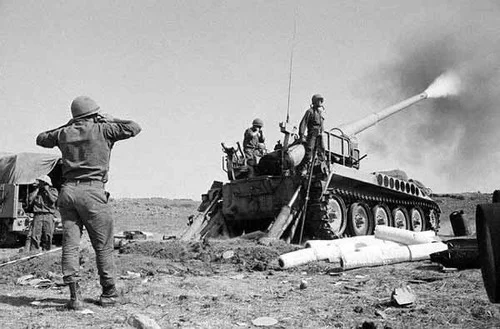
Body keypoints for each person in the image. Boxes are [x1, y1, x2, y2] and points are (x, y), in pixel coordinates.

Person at [36, 96, 141, 310]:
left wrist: (69, 124)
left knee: (70, 245)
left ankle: (75, 297)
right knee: (103, 246)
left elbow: (41, 138)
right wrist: (111, 118)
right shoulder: (104, 129)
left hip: (67, 192)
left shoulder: (64, 133)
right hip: (92, 192)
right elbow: (135, 127)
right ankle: (109, 293)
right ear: (95, 113)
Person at [27, 175, 58, 251]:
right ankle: (34, 252)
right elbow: (30, 199)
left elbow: (53, 200)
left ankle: (46, 252)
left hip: (48, 215)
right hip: (38, 215)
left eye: (40, 182)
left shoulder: (53, 191)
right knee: (35, 236)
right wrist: (37, 190)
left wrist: (47, 190)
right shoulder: (37, 192)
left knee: (48, 235)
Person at [298, 94, 325, 174]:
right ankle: (303, 168)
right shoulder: (310, 111)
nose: (320, 102)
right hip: (312, 134)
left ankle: (320, 167)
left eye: (321, 100)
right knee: (309, 151)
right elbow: (303, 123)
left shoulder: (320, 113)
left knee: (322, 151)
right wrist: (302, 135)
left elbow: (322, 125)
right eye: (319, 100)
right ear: (314, 101)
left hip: (319, 134)